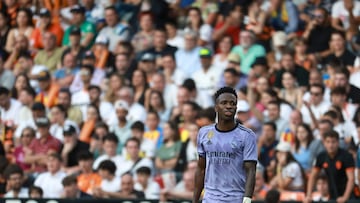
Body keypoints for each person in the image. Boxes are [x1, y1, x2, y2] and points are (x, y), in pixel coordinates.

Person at [193, 87, 257, 203]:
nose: (229, 106)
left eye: (232, 103)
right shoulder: (204, 133)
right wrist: (195, 200)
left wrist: (247, 200)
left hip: (235, 199)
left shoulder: (247, 135)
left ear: (236, 108)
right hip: (210, 198)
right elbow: (201, 168)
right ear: (216, 107)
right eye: (224, 103)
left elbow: (251, 170)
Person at [305, 130, 355, 203]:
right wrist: (308, 195)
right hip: (332, 194)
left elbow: (351, 179)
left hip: (349, 197)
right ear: (324, 143)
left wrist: (345, 197)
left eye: (333, 142)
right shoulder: (321, 157)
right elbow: (313, 176)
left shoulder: (346, 156)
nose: (330, 145)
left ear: (338, 143)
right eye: (328, 142)